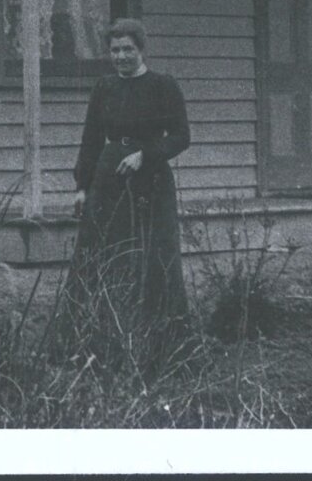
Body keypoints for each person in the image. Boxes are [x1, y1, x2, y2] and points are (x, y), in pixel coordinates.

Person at [56, 18, 192, 365]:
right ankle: (98, 339)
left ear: (141, 49)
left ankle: (155, 342)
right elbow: (90, 140)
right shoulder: (104, 88)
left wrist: (145, 156)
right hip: (109, 180)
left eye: (128, 49)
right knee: (102, 253)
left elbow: (180, 137)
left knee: (152, 255)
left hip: (151, 182)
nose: (121, 56)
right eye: (115, 50)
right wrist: (82, 188)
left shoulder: (163, 86)